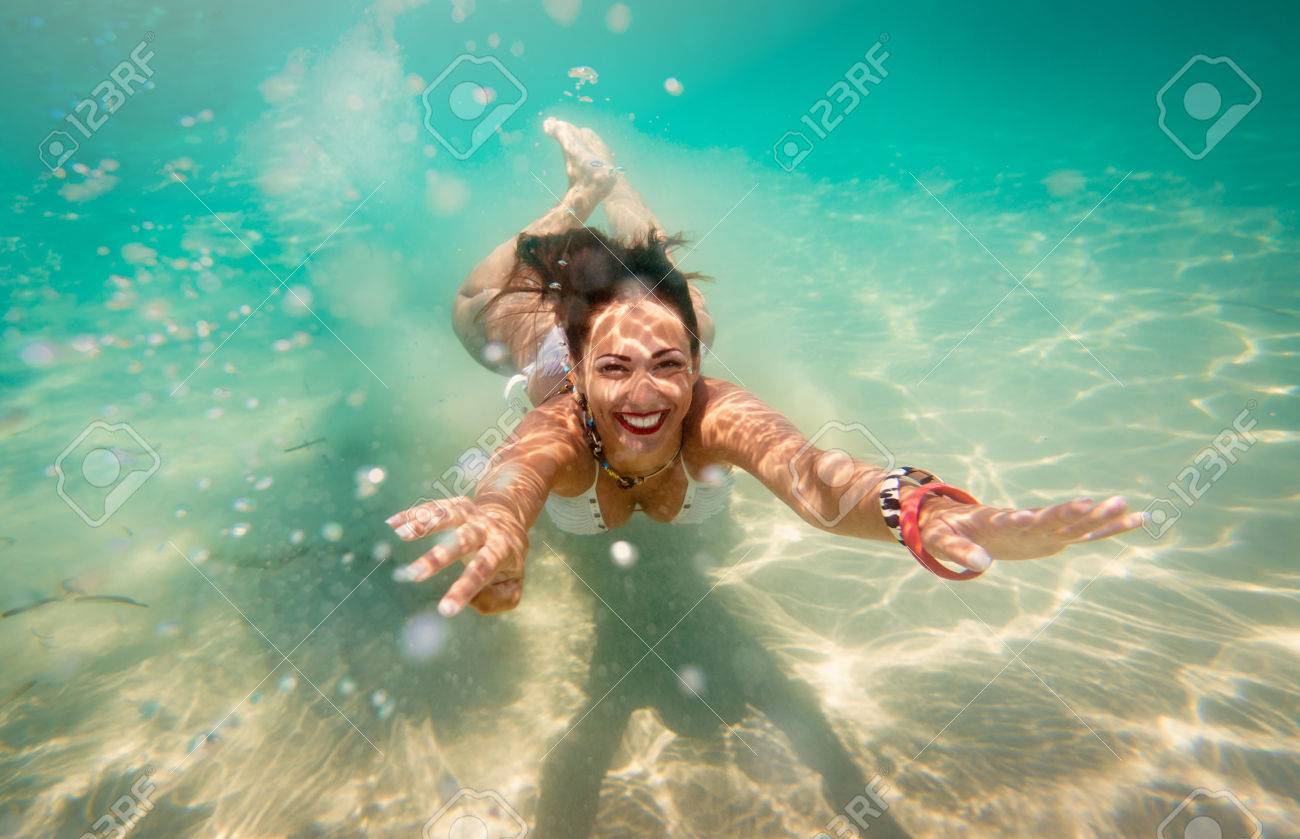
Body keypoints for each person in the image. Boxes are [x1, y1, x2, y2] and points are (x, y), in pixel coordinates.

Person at [385, 118, 1143, 617]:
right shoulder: (560, 417)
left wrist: (923, 514)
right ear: (580, 374)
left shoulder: (710, 407)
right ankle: (581, 194)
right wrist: (496, 516)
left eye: (670, 364)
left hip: (652, 332)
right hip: (555, 336)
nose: (647, 397)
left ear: (693, 364)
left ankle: (621, 194)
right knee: (476, 303)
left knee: (657, 273)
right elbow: (516, 473)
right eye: (615, 369)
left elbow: (814, 477)